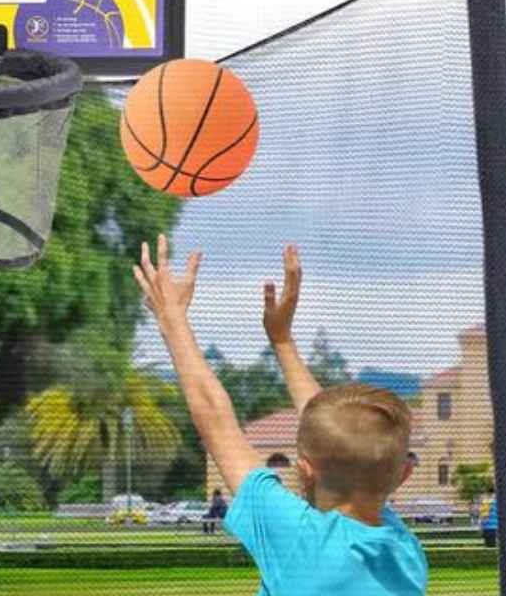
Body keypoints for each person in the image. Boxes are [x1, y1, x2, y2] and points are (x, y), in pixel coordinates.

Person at [133, 238, 428, 595]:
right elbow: (328, 424)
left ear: (304, 470)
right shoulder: (404, 552)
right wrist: (283, 341)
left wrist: (172, 319)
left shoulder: (299, 539)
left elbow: (216, 419)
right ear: (403, 474)